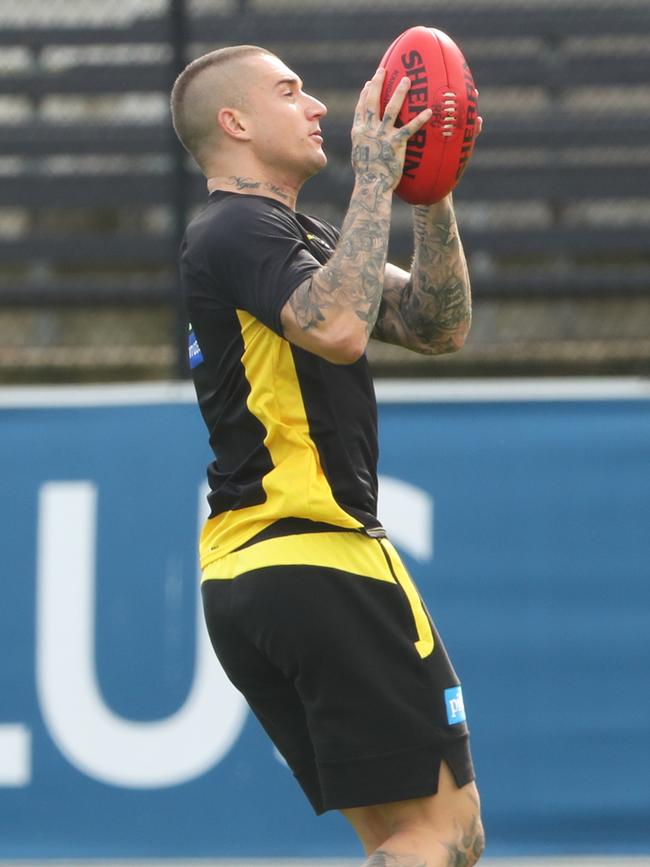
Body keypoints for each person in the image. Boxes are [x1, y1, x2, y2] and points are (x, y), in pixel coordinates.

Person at [171, 44, 484, 867]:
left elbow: (435, 323)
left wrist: (430, 190)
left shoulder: (281, 232)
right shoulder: (237, 224)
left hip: (260, 573)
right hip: (318, 559)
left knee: (402, 838)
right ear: (234, 123)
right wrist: (376, 179)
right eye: (289, 90)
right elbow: (339, 330)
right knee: (444, 833)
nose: (317, 106)